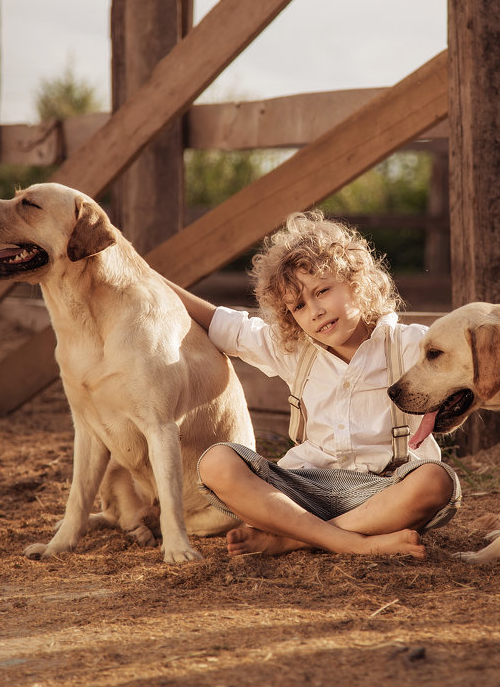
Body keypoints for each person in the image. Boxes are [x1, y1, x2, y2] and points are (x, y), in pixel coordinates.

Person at [165, 211, 461, 558]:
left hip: (383, 492)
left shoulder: (412, 346)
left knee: (436, 481)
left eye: (323, 291)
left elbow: (464, 362)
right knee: (216, 462)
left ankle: (295, 539)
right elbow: (223, 323)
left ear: (357, 282)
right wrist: (143, 273)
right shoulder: (295, 351)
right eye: (299, 306)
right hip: (304, 487)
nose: (315, 311)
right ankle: (350, 542)